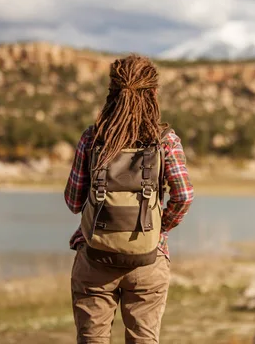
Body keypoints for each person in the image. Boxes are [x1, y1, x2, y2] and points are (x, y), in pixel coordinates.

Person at [64, 54, 194, 343]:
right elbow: (184, 195)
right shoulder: (165, 140)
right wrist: (160, 229)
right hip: (148, 261)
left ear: (111, 92)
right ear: (154, 94)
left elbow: (73, 202)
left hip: (95, 258)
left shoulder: (92, 138)